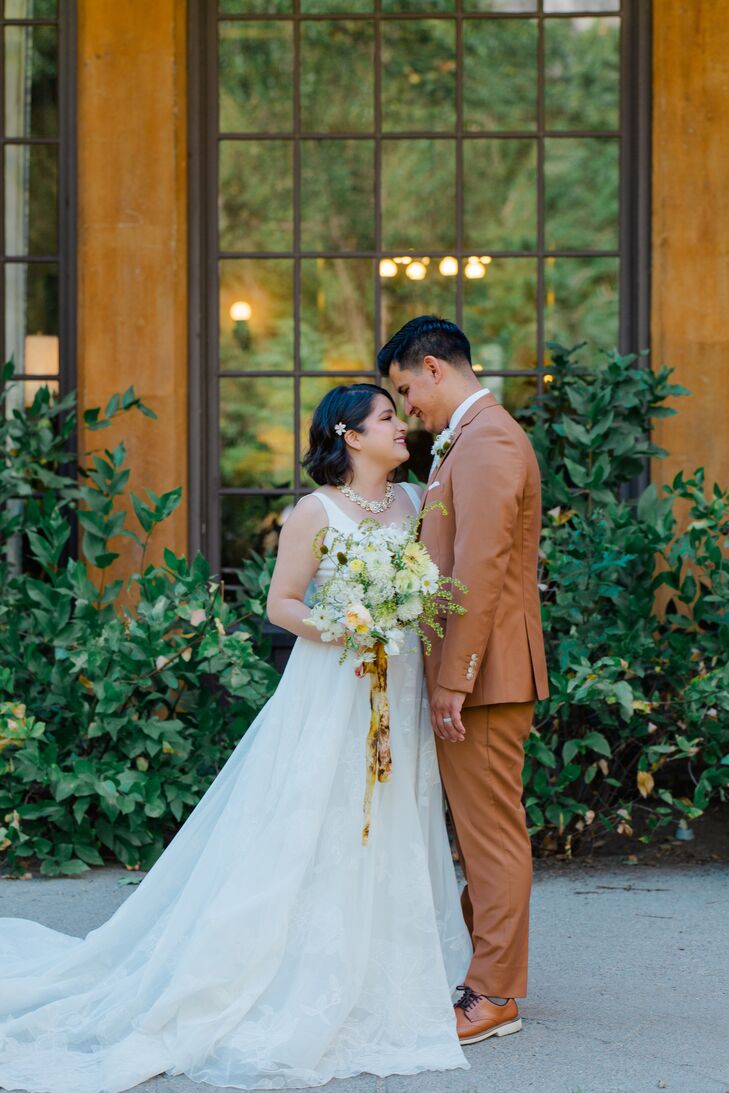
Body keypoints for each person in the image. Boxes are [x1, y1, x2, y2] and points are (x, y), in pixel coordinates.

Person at [0, 382, 472, 1093]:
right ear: (349, 434)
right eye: (385, 417)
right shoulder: (312, 513)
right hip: (333, 681)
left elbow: (432, 585)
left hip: (395, 683)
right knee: (313, 810)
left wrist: (405, 614)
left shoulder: (413, 503)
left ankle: (390, 964)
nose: (400, 425)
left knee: (394, 807)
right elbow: (281, 603)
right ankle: (290, 965)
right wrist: (349, 627)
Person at [377, 315, 549, 1046]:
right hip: (481, 671)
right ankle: (485, 972)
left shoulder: (488, 441)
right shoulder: (469, 441)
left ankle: (494, 993)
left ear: (433, 367)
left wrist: (454, 680)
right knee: (484, 834)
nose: (407, 407)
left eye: (405, 388)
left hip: (487, 676)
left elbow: (478, 570)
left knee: (491, 838)